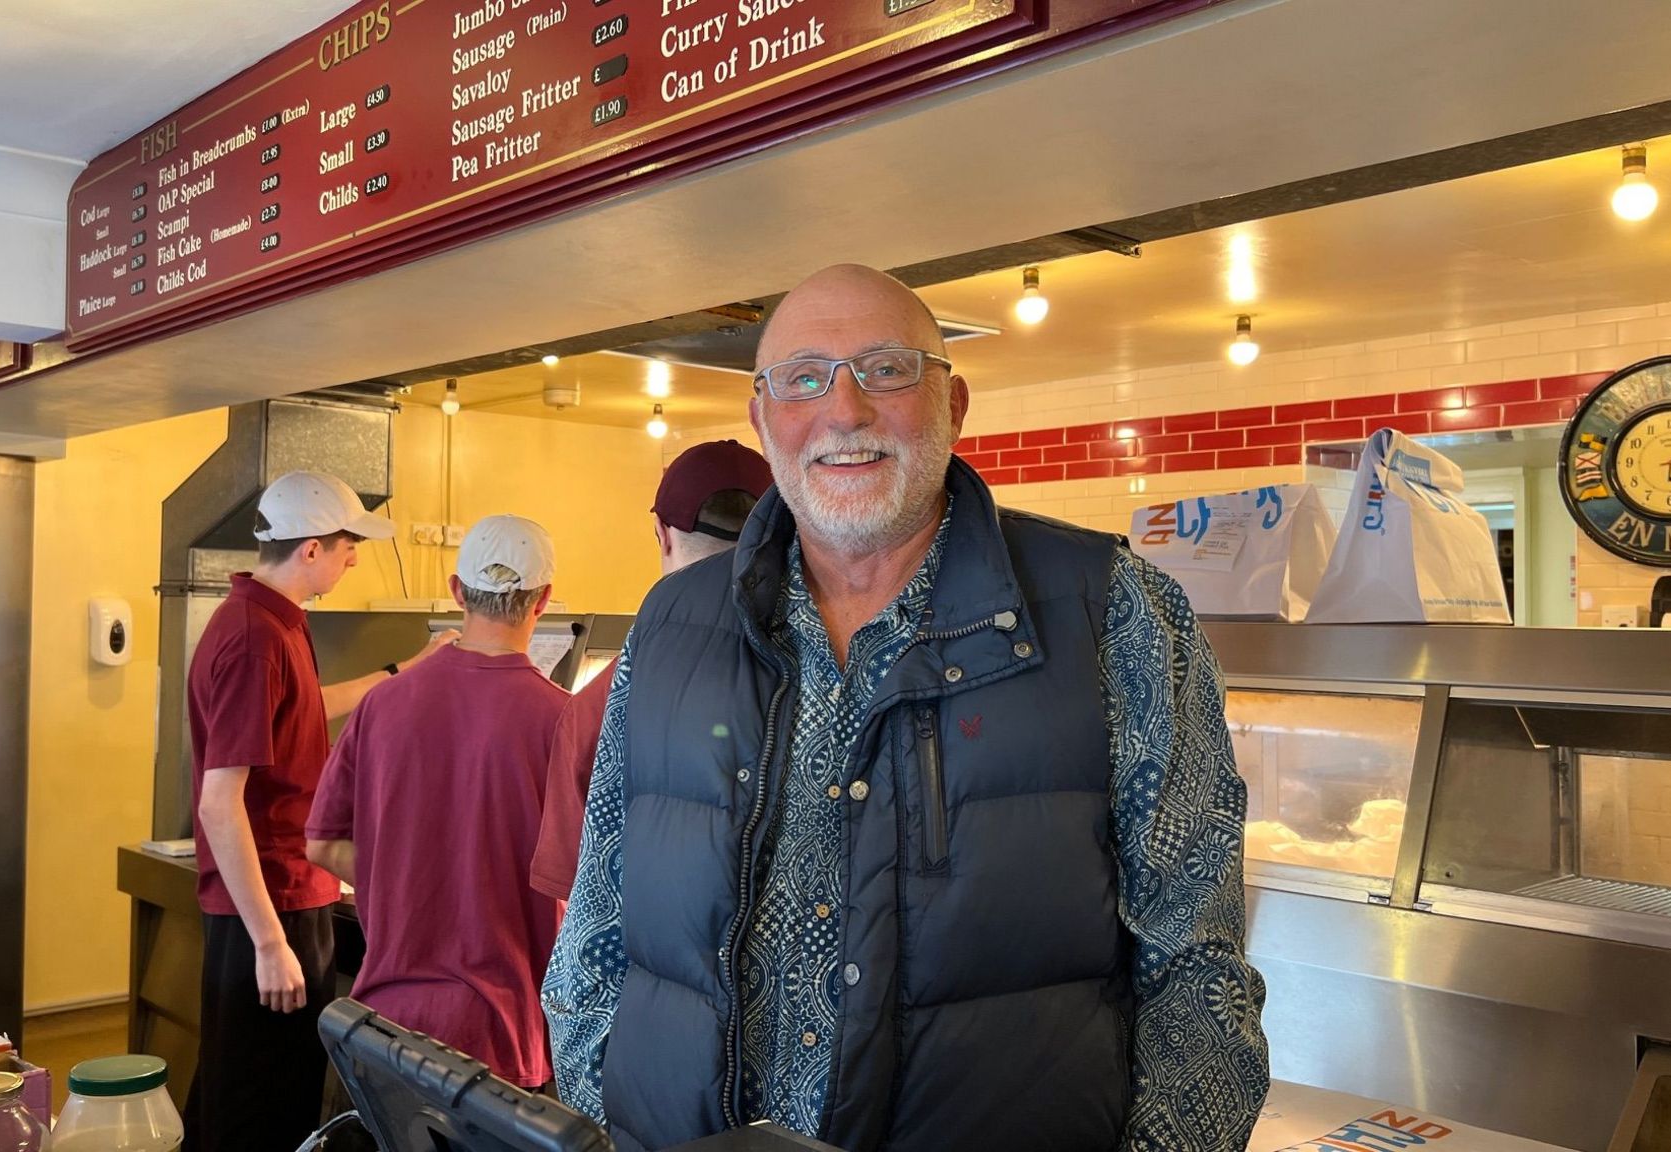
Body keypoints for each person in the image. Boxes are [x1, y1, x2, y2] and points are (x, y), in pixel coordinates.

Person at [544, 265, 1270, 1152]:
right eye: (805, 378)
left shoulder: (1113, 611)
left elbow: (1196, 971)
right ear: (762, 417)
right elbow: (596, 936)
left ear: (954, 404)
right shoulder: (671, 625)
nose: (844, 411)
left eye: (886, 369)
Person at [185, 471, 451, 1152]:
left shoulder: (269, 621)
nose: (354, 557)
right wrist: (271, 944)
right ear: (310, 550)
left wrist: (407, 671)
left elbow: (305, 710)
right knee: (264, 1106)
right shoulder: (254, 638)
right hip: (270, 902)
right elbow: (221, 805)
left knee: (244, 1087)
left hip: (282, 894)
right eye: (346, 545)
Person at [306, 514, 569, 1092]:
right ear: (544, 600)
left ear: (456, 592)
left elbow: (322, 843)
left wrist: (401, 878)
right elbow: (587, 882)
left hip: (386, 1020)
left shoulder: (382, 706)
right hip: (502, 1029)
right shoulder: (564, 721)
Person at [528, 439, 773, 902]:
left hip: (647, 965)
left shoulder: (602, 700)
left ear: (660, 533)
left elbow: (575, 896)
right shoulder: (832, 669)